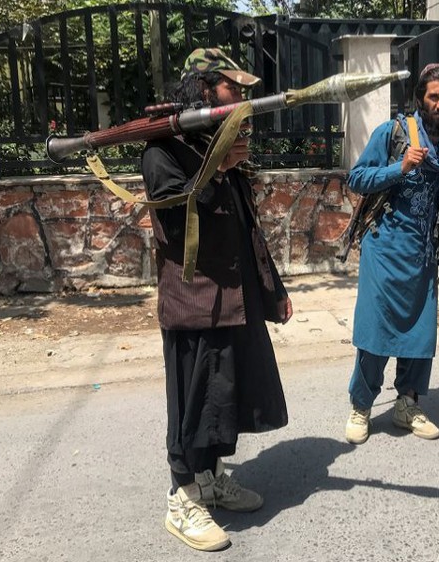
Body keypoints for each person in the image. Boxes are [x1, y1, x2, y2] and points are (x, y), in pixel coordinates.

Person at [141, 48, 293, 551]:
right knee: (193, 397)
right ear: (206, 88)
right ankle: (182, 496)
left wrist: (273, 291)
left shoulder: (222, 142)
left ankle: (209, 478)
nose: (243, 97)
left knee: (223, 396)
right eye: (234, 88)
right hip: (195, 300)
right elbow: (173, 220)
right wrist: (215, 168)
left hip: (236, 296)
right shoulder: (162, 149)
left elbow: (248, 225)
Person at [344, 63, 439, 445]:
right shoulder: (394, 133)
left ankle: (407, 404)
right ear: (420, 99)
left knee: (419, 335)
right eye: (434, 97)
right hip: (384, 250)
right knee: (374, 332)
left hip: (424, 254)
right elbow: (357, 178)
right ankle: (361, 406)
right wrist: (400, 167)